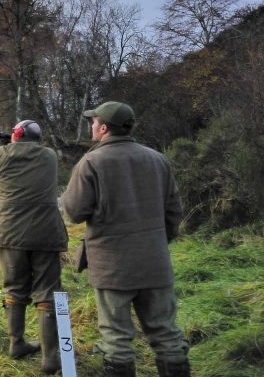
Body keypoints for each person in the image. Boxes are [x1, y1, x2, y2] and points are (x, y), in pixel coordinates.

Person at [62, 101, 190, 377]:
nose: (92, 126)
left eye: (94, 122)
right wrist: (156, 243)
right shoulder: (158, 159)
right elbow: (173, 213)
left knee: (116, 340)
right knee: (167, 335)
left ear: (104, 128)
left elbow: (73, 211)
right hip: (155, 262)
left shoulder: (91, 162)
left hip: (112, 267)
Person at [0, 119, 68, 375]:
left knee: (15, 290)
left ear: (17, 134)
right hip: (46, 234)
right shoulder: (50, 156)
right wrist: (10, 141)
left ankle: (16, 343)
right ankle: (51, 358)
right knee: (48, 294)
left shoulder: (2, 155)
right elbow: (23, 153)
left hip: (11, 235)